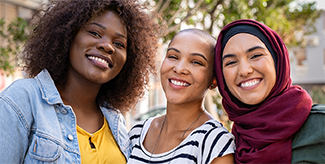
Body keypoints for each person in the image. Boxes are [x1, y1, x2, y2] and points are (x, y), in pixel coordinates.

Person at [0, 0, 163, 163]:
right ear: (68, 35)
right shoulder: (23, 99)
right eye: (95, 33)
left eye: (119, 43)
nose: (107, 46)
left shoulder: (114, 120)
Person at [214, 19, 325, 164]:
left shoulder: (320, 125)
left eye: (255, 55)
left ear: (277, 60)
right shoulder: (225, 146)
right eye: (231, 62)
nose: (245, 70)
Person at [128, 29, 235, 164]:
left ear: (214, 80)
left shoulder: (215, 143)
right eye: (173, 56)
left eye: (196, 62)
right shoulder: (138, 133)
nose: (179, 68)